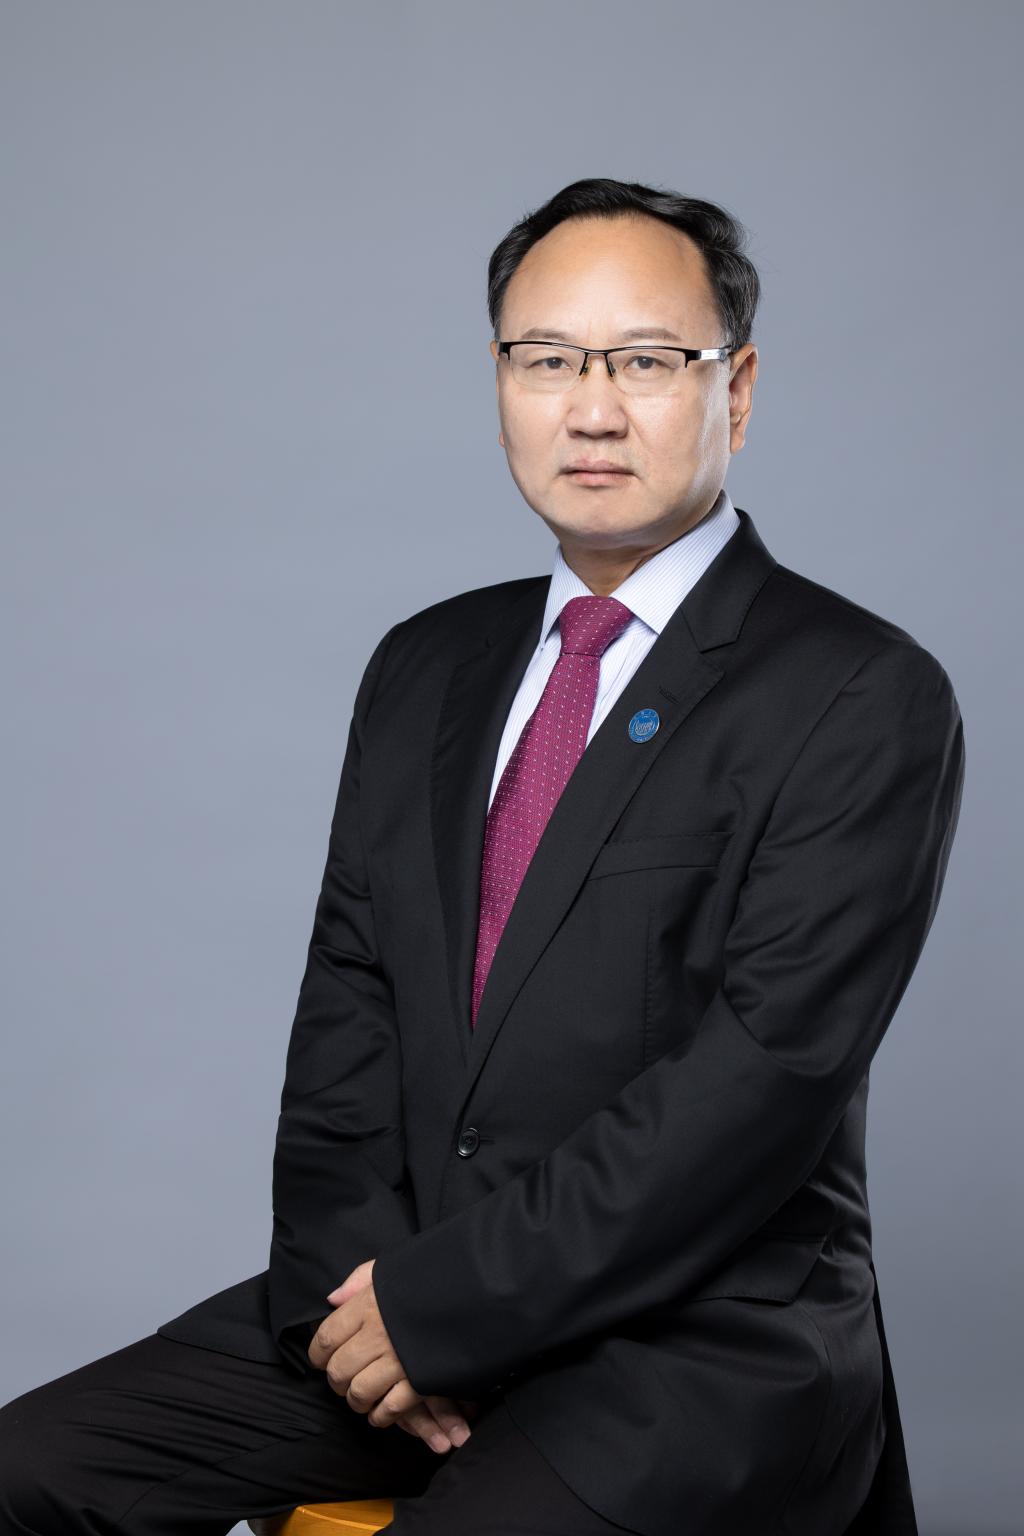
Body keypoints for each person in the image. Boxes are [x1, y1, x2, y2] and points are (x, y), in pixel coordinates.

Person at [0, 177, 965, 1536]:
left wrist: (445, 1309)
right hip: (395, 1295)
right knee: (26, 1471)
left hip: (691, 1347)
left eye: (645, 361)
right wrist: (359, 1305)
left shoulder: (858, 691)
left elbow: (756, 1089)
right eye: (547, 359)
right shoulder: (427, 664)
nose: (592, 409)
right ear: (500, 380)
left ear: (737, 391)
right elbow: (349, 1017)